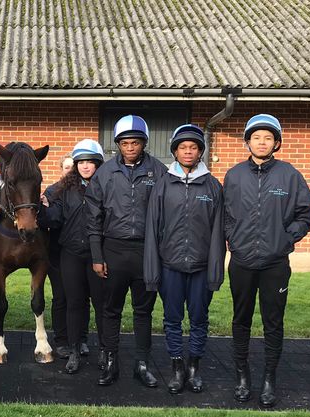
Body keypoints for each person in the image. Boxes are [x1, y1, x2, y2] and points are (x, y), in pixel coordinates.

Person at [223, 114, 310, 407]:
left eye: (268, 138)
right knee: (241, 319)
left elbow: (306, 213)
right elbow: (224, 214)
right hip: (241, 261)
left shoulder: (290, 175)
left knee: (273, 322)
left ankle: (268, 379)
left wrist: (287, 238)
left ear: (277, 143)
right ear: (247, 141)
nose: (261, 142)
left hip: (275, 264)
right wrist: (233, 237)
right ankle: (242, 376)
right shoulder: (234, 175)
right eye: (256, 137)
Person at [86, 115, 168, 387]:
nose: (130, 147)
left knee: (143, 311)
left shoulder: (159, 171)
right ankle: (110, 362)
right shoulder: (105, 173)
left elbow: (167, 215)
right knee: (111, 310)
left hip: (147, 251)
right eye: (125, 143)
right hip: (114, 250)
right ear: (118, 145)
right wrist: (97, 256)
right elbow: (93, 217)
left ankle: (142, 364)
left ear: (144, 143)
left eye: (135, 142)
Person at [143, 125, 225, 394]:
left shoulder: (212, 186)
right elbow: (153, 230)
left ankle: (194, 368)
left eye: (193, 147)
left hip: (201, 268)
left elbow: (217, 233)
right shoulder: (163, 184)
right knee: (172, 319)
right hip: (171, 267)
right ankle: (177, 367)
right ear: (175, 152)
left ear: (200, 151)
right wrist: (152, 271)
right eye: (183, 147)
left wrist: (214, 271)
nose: (188, 151)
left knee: (200, 319)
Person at [39, 140, 106, 374]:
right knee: (74, 302)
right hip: (71, 254)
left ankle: (106, 351)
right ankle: (73, 350)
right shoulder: (64, 190)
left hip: (98, 254)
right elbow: (54, 220)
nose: (86, 167)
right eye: (81, 162)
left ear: (98, 164)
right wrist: (43, 210)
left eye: (90, 162)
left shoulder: (107, 186)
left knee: (101, 303)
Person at [42, 153, 80, 361]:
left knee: (80, 298)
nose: (70, 171)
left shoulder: (85, 190)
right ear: (60, 170)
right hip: (57, 252)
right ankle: (62, 340)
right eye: (67, 167)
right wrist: (43, 209)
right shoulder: (51, 192)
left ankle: (79, 339)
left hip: (79, 252)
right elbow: (47, 222)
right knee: (61, 297)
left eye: (73, 167)